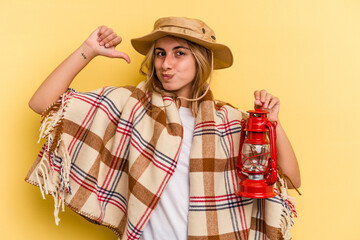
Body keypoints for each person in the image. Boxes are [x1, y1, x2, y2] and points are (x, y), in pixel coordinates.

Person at [26, 17, 300, 240]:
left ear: (201, 60)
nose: (165, 64)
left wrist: (273, 124)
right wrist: (88, 50)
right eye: (160, 53)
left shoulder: (229, 121)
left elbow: (291, 179)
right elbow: (42, 103)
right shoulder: (131, 106)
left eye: (179, 53)